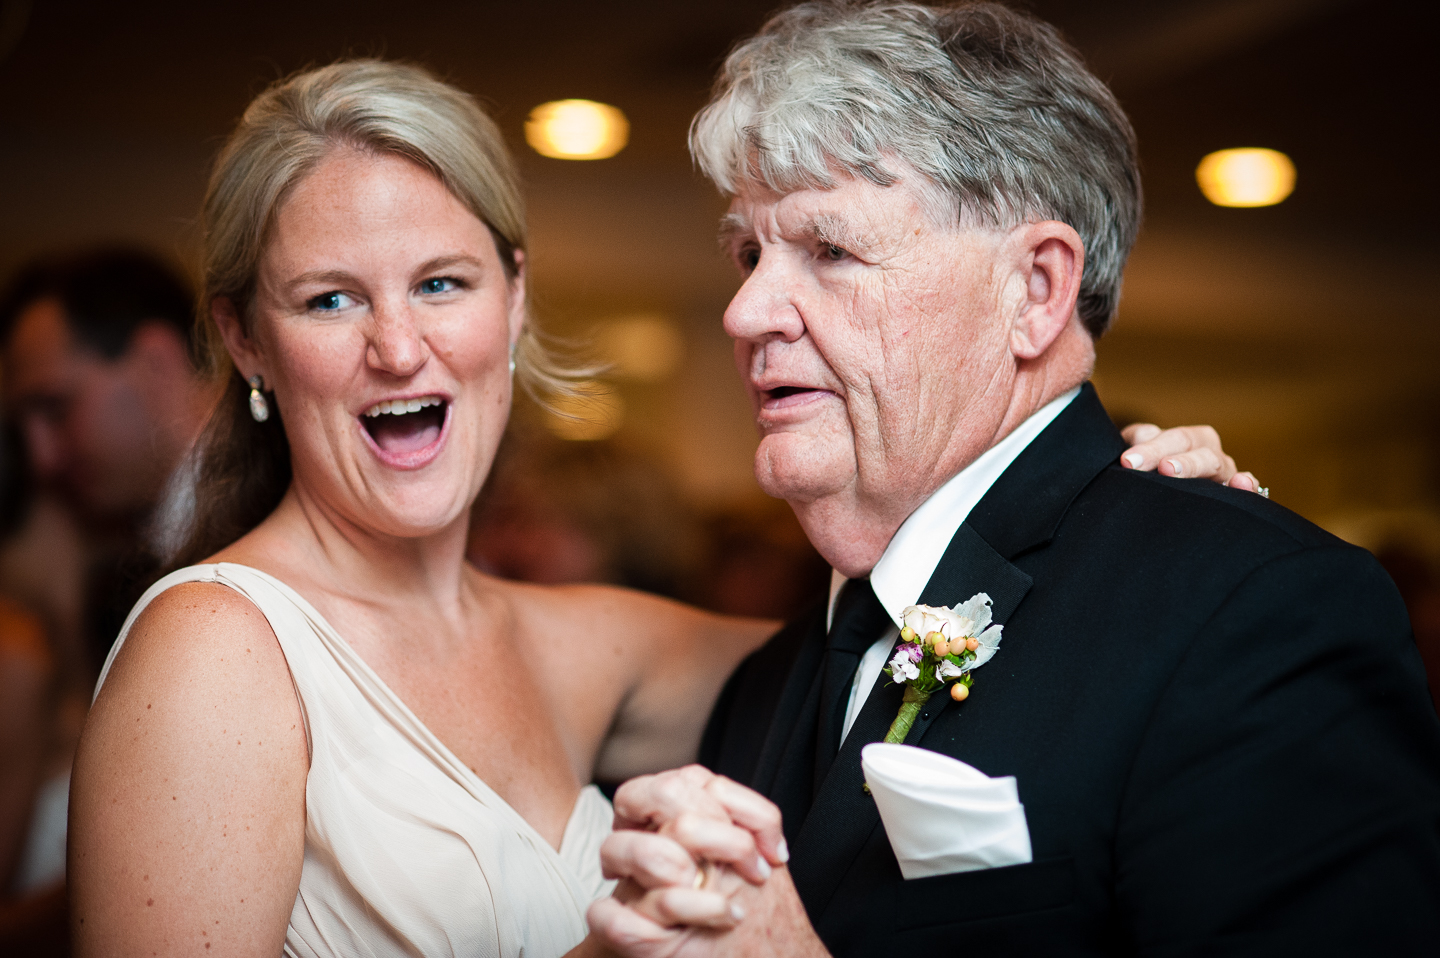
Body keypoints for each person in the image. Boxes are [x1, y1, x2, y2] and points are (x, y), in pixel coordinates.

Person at [66, 58, 1241, 958]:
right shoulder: (216, 649)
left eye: (441, 283)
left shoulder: (588, 640)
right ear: (245, 340)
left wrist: (1126, 520)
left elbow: (943, 643)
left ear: (514, 300)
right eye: (329, 300)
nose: (398, 346)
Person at [588, 3, 1440, 955]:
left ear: (1034, 290)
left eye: (828, 250)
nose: (745, 311)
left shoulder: (1253, 612)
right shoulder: (769, 683)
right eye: (750, 252)